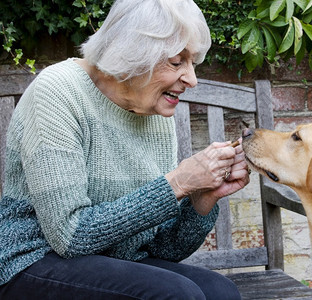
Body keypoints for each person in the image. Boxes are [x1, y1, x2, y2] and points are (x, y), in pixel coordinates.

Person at [0, 0, 250, 299]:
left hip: (112, 259)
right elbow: (70, 237)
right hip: (32, 260)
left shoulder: (154, 109)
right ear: (134, 54)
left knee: (220, 291)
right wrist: (179, 182)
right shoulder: (57, 92)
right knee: (176, 294)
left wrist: (202, 197)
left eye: (192, 63)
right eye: (176, 62)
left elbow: (163, 249)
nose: (192, 80)